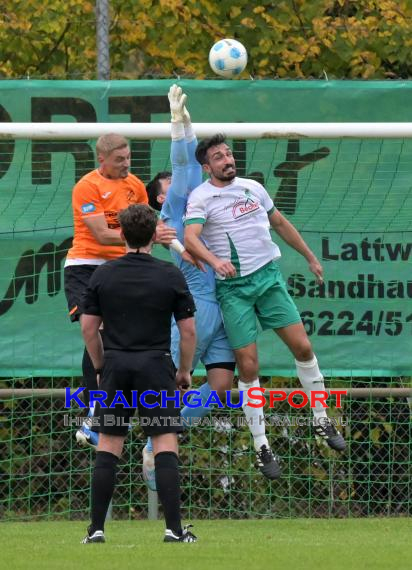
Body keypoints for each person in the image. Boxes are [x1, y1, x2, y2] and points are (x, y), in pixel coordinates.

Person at [143, 85, 281, 488]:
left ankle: (171, 428)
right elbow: (185, 162)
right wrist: (177, 126)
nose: (176, 183)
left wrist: (186, 124)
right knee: (162, 382)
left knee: (221, 385)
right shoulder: (173, 211)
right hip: (198, 308)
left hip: (226, 304)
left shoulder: (205, 201)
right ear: (160, 199)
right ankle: (142, 441)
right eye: (167, 184)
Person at [184, 134, 346, 453]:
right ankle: (261, 445)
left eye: (228, 154)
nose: (227, 160)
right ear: (206, 167)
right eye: (218, 156)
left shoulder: (253, 187)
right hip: (234, 291)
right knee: (248, 366)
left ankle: (321, 417)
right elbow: (190, 238)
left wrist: (310, 257)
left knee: (303, 346)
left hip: (269, 279)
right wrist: (216, 261)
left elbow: (281, 223)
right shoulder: (200, 197)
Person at [80, 203, 197, 544]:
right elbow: (188, 331)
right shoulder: (169, 274)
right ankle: (174, 530)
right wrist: (185, 371)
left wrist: (101, 366)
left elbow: (89, 328)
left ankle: (96, 530)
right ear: (153, 234)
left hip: (116, 366)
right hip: (156, 366)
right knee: (164, 444)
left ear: (122, 234)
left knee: (109, 446)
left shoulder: (103, 274)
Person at [63, 133, 176, 447]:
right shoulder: (87, 187)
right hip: (84, 267)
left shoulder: (135, 186)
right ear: (102, 159)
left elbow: (141, 231)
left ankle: (103, 418)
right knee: (94, 329)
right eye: (119, 160)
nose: (126, 164)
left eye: (128, 158)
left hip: (119, 269)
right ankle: (94, 416)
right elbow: (100, 233)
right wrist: (153, 233)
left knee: (117, 339)